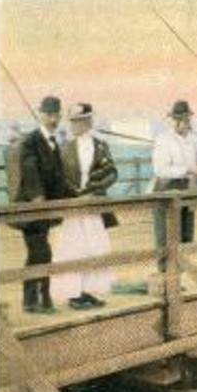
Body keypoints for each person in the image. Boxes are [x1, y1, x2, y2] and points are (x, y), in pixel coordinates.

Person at [6, 95, 73, 313]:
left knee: (37, 254)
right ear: (40, 115)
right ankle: (43, 299)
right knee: (42, 253)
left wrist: (77, 195)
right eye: (49, 114)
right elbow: (31, 174)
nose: (53, 119)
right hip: (31, 212)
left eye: (56, 114)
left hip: (44, 212)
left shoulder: (52, 143)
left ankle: (31, 300)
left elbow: (58, 179)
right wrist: (39, 202)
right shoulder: (30, 142)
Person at [53, 102, 119, 309]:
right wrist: (75, 194)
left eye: (79, 121)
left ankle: (88, 290)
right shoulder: (65, 148)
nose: (75, 125)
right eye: (72, 121)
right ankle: (73, 294)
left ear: (89, 121)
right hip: (73, 208)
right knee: (72, 249)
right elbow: (59, 177)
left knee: (95, 247)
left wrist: (93, 189)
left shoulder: (101, 146)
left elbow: (112, 173)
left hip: (93, 207)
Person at [152, 100, 197, 272]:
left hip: (188, 190)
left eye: (187, 119)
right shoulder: (163, 140)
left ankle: (179, 277)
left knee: (185, 236)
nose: (186, 123)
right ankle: (166, 277)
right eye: (182, 119)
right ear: (174, 120)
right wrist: (187, 169)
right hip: (167, 191)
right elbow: (160, 170)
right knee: (167, 237)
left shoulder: (195, 140)